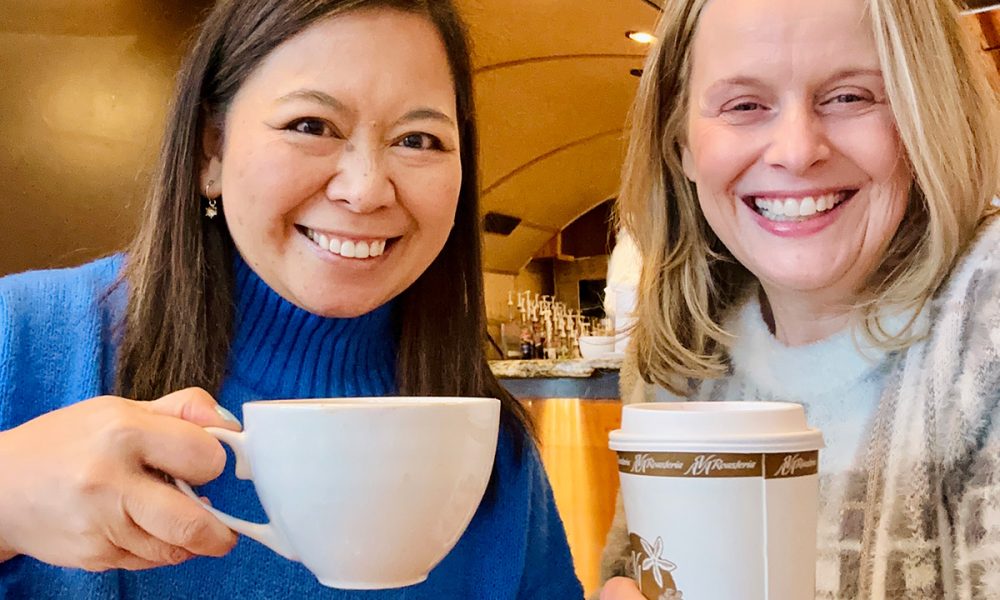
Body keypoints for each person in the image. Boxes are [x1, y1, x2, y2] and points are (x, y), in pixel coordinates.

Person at [0, 1, 585, 598]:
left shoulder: (488, 443)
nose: (365, 190)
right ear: (212, 153)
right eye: (311, 126)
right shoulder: (22, 336)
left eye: (418, 139)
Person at [598, 0, 1000, 598]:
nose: (795, 150)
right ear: (679, 143)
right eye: (744, 106)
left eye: (850, 97)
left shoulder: (985, 318)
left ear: (927, 113)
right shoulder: (682, 358)